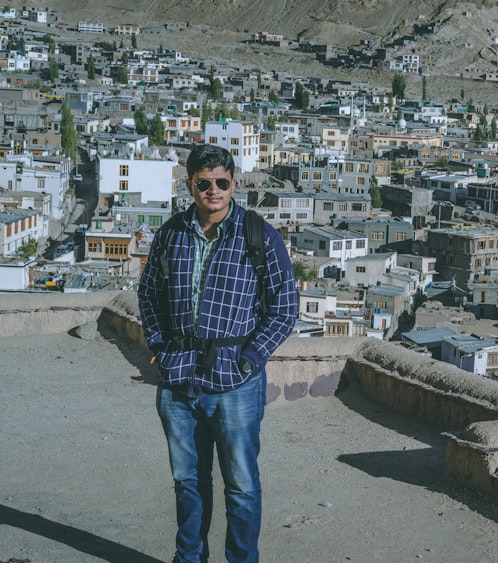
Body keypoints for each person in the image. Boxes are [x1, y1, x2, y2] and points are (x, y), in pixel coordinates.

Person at [137, 144, 297, 563]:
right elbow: (149, 294)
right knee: (187, 482)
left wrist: (250, 358)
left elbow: (284, 309)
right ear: (189, 185)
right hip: (179, 379)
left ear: (233, 184)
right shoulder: (170, 234)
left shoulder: (259, 235)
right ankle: (189, 557)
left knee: (241, 485)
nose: (213, 191)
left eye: (221, 183)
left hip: (236, 384)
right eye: (203, 183)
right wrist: (159, 346)